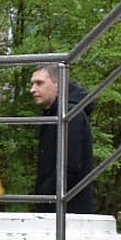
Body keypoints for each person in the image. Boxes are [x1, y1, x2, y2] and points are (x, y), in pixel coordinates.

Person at [29, 64, 95, 213]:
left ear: (57, 85)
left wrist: (45, 196)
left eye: (39, 83)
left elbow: (71, 165)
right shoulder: (57, 113)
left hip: (67, 210)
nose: (32, 89)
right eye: (33, 83)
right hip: (59, 206)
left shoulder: (70, 115)